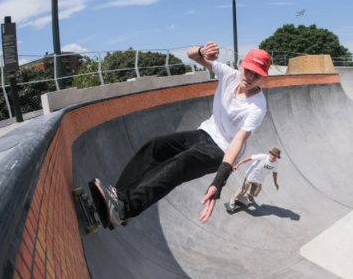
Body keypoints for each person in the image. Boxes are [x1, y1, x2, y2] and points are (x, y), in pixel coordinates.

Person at [88, 42, 272, 228]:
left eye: (257, 75)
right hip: (205, 133)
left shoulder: (257, 107)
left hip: (222, 150)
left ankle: (124, 210)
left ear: (263, 77)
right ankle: (117, 197)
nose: (250, 77)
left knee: (180, 164)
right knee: (155, 146)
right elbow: (191, 54)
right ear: (241, 65)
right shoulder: (229, 75)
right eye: (247, 70)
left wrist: (219, 180)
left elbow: (238, 142)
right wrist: (201, 51)